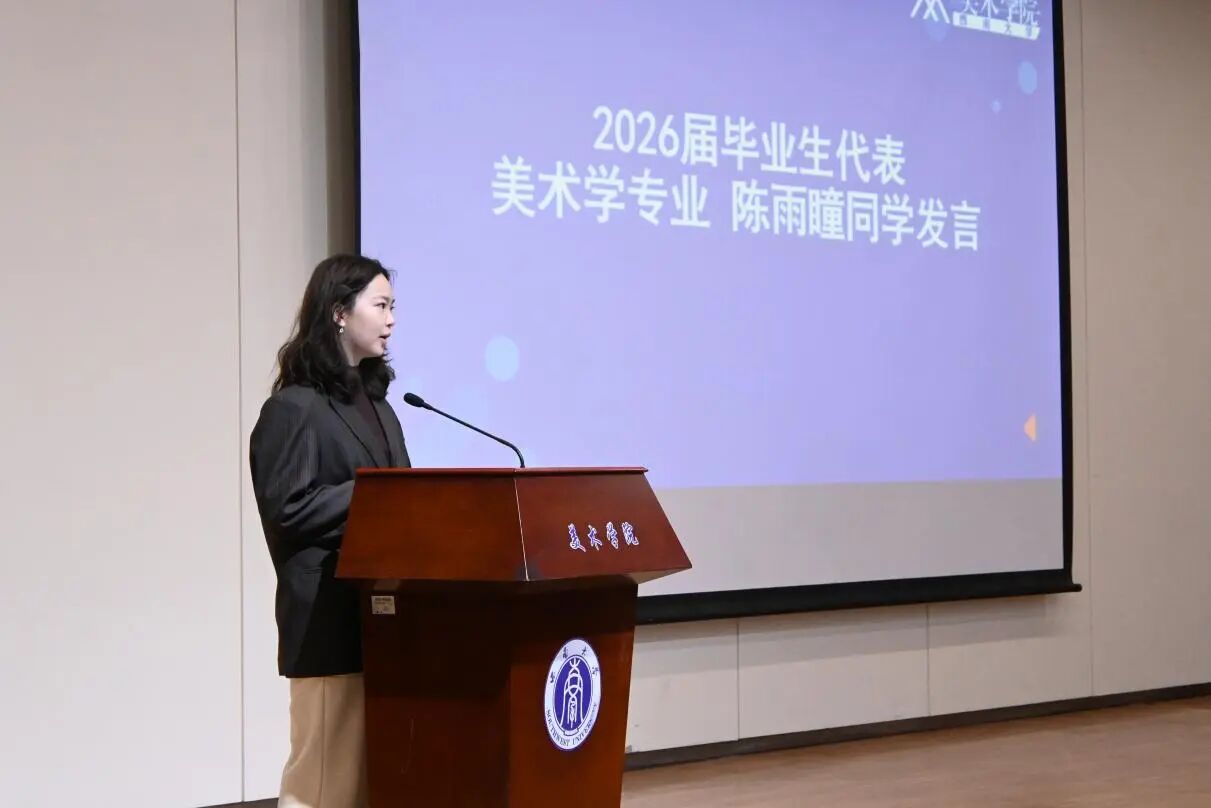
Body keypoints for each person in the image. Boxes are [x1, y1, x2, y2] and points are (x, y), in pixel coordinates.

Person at [249, 254, 410, 808]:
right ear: (339, 312)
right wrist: (376, 495)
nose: (391, 320)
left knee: (361, 788)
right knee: (320, 786)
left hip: (383, 619)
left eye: (393, 307)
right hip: (327, 619)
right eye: (381, 305)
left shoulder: (381, 407)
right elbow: (287, 510)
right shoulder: (294, 408)